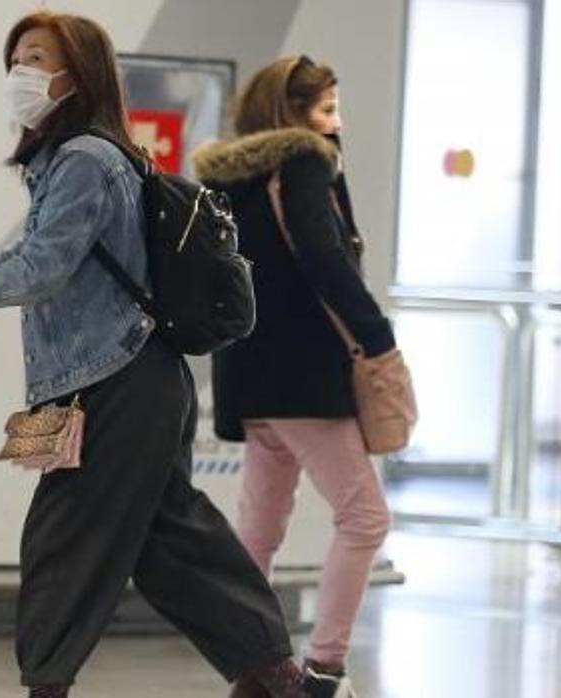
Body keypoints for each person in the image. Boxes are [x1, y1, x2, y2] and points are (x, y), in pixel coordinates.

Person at [0, 14, 352, 698]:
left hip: (116, 381)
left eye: (36, 57)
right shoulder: (70, 159)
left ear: (76, 73)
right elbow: (42, 259)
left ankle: (46, 687)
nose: (20, 73)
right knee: (170, 545)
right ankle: (280, 680)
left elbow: (43, 265)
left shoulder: (85, 158)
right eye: (14, 59)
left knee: (64, 539)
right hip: (128, 379)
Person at [191, 55, 394, 695]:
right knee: (365, 518)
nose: (337, 122)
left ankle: (254, 668)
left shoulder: (229, 179)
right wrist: (377, 336)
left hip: (249, 377)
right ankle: (324, 669)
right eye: (327, 109)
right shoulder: (304, 162)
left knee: (260, 529)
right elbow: (324, 258)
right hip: (305, 375)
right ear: (294, 115)